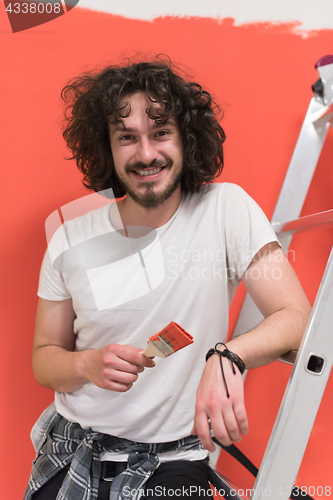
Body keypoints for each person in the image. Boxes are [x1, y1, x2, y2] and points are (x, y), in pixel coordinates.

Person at [24, 58, 311, 500]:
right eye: (127, 138)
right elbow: (44, 357)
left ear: (185, 138)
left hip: (172, 463)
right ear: (107, 146)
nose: (145, 154)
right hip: (72, 450)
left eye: (160, 133)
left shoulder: (225, 209)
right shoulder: (70, 235)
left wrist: (227, 355)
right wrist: (85, 365)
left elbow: (295, 315)